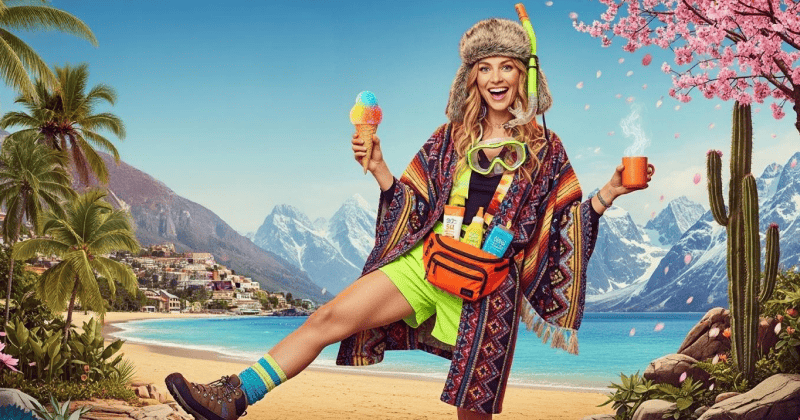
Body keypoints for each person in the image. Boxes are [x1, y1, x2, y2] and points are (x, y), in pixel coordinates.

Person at [165, 17, 653, 420]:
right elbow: (413, 208)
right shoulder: (449, 137)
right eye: (486, 68)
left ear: (523, 75)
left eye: (508, 66)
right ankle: (234, 395)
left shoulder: (546, 149)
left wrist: (610, 191)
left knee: (472, 409)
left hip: (490, 288)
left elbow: (564, 225)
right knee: (327, 317)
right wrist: (378, 166)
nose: (498, 78)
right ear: (473, 78)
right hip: (428, 261)